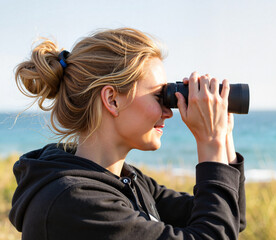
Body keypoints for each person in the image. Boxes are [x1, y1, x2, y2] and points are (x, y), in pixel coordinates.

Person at [9, 28, 246, 239]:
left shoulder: (127, 181)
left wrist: (222, 131)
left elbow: (229, 218)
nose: (168, 112)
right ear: (112, 99)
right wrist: (210, 140)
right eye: (159, 96)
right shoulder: (74, 202)